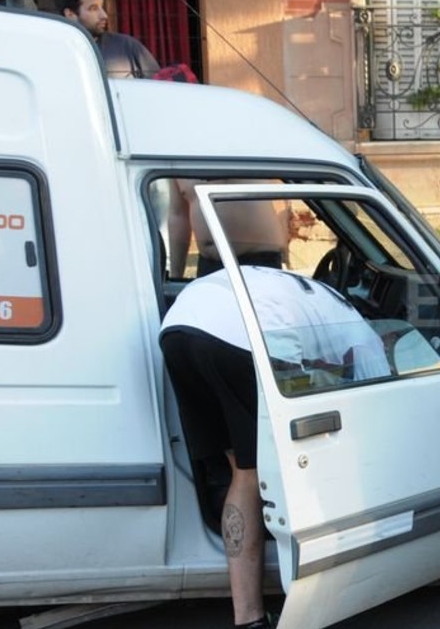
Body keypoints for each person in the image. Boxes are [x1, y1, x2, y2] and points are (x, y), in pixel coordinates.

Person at [160, 265, 389, 629]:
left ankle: (248, 617)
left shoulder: (314, 299)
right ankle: (299, 605)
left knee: (241, 471)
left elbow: (307, 361)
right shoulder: (365, 339)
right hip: (242, 332)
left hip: (180, 327)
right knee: (272, 465)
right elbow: (372, 408)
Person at [167, 179, 291, 278]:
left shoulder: (246, 149)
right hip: (209, 264)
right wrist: (175, 276)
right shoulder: (180, 154)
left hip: (259, 262)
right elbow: (178, 215)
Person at [53, 0, 159, 80]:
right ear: (70, 14)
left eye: (102, 7)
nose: (104, 15)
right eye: (93, 9)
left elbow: (160, 87)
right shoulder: (53, 52)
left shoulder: (127, 47)